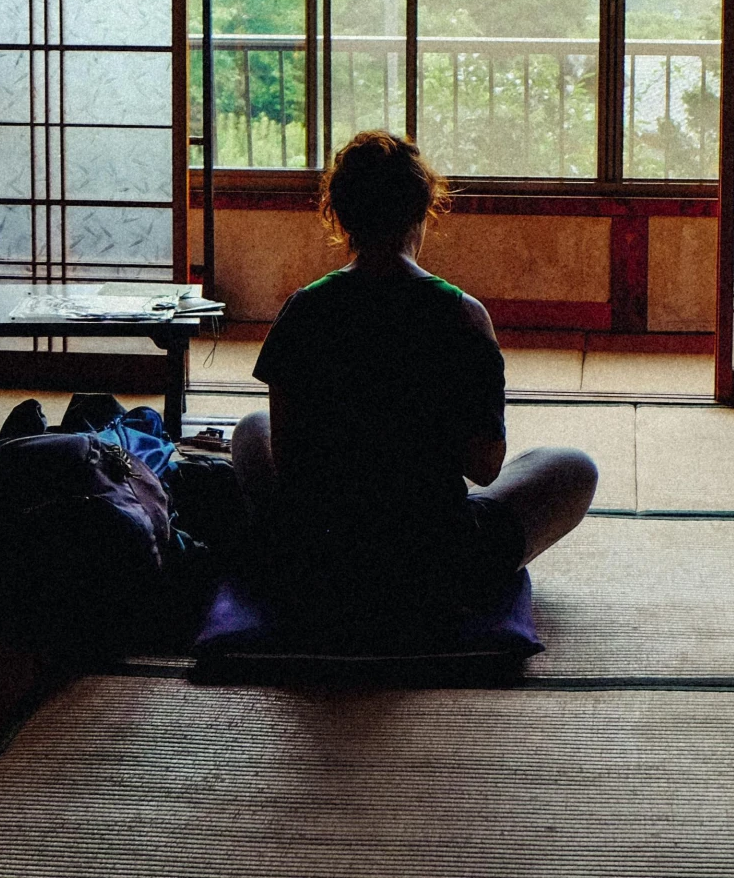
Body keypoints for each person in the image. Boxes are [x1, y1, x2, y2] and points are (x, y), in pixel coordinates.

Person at [231, 131, 597, 638]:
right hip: (436, 564)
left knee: (250, 426)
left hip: (319, 562)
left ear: (339, 215)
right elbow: (486, 468)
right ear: (424, 209)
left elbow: (291, 468)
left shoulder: (305, 309)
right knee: (573, 467)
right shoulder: (464, 315)